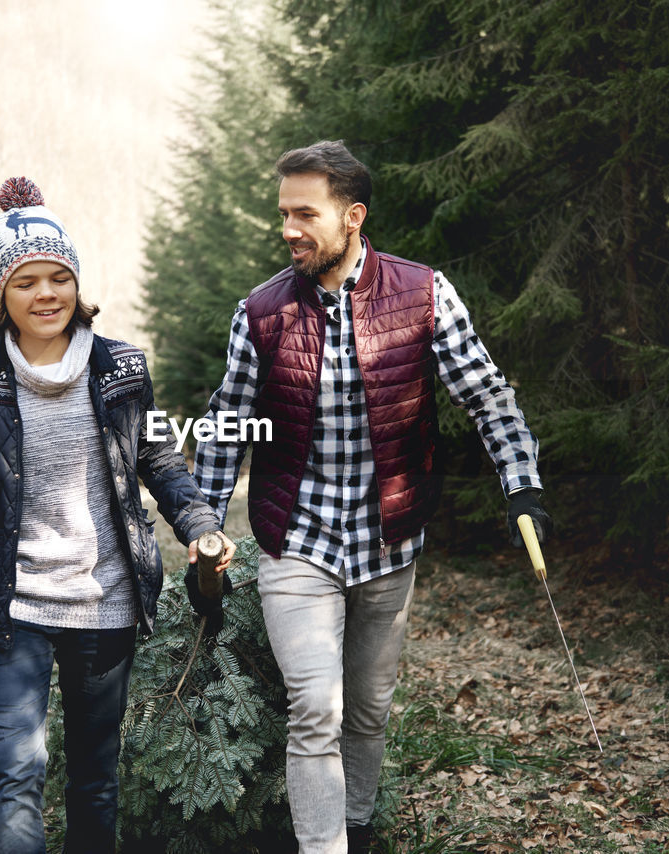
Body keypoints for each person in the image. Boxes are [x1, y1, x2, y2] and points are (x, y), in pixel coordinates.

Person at [0, 176, 236, 854]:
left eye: (59, 277)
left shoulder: (122, 370)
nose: (45, 294)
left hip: (105, 605)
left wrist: (201, 526)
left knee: (94, 782)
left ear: (78, 285)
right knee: (15, 771)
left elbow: (162, 464)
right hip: (11, 610)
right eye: (26, 282)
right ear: (2, 294)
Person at [193, 141, 552, 854]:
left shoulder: (423, 293)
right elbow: (226, 424)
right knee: (315, 709)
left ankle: (357, 827)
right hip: (295, 538)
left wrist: (523, 485)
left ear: (353, 216)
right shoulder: (260, 313)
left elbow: (485, 394)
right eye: (282, 214)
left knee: (367, 709)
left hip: (391, 539)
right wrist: (201, 526)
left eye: (305, 213)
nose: (288, 229)